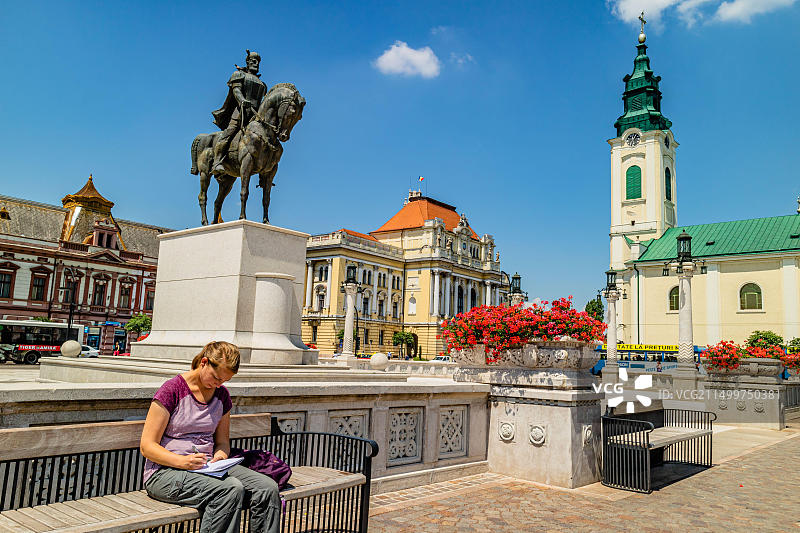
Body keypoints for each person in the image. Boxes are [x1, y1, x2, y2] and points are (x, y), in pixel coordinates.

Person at [140, 341, 280, 533]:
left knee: (267, 488)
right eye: (216, 378)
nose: (218, 384)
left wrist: (221, 456)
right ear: (204, 362)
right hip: (165, 473)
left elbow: (222, 442)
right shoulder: (172, 390)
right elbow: (147, 446)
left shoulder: (221, 396)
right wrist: (183, 462)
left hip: (207, 468)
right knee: (230, 489)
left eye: (224, 381)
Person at [211, 50, 268, 174]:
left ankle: (266, 169)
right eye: (253, 61)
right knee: (229, 132)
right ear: (247, 62)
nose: (255, 63)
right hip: (241, 111)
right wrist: (242, 100)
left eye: (257, 61)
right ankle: (217, 161)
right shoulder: (238, 75)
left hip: (256, 115)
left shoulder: (263, 84)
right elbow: (236, 91)